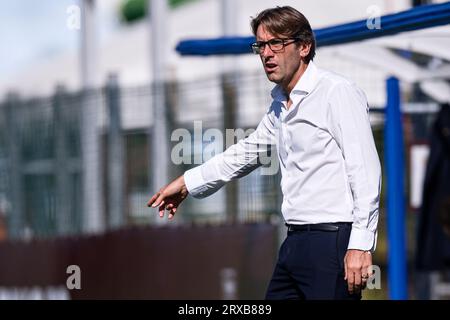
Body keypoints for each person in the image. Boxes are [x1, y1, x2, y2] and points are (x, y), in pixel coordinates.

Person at [147, 6, 381, 300]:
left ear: (304, 47)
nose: (267, 53)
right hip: (294, 243)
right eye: (261, 45)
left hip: (332, 243)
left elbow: (366, 172)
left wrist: (360, 244)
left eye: (277, 43)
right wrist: (186, 182)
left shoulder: (337, 92)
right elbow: (245, 152)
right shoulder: (280, 104)